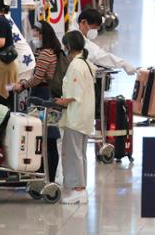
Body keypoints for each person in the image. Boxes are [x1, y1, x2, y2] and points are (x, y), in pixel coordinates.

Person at [13, 21, 62, 182]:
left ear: (43, 35)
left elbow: (38, 78)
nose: (35, 37)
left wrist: (23, 85)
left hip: (42, 96)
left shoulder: (46, 53)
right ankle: (46, 174)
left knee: (46, 136)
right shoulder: (53, 51)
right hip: (49, 94)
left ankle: (46, 175)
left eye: (37, 34)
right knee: (48, 136)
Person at [54, 31, 96, 204]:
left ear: (68, 46)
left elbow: (74, 94)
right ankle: (80, 187)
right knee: (80, 153)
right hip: (84, 115)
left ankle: (78, 189)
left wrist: (60, 101)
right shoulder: (85, 63)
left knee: (73, 153)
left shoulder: (76, 66)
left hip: (76, 116)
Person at [75, 8, 137, 75]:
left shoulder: (81, 36)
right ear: (83, 22)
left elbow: (97, 52)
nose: (94, 32)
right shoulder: (75, 38)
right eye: (93, 28)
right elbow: (97, 55)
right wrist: (123, 63)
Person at [0, 0, 36, 81]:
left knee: (19, 90)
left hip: (23, 62)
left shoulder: (2, 20)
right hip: (23, 60)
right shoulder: (5, 17)